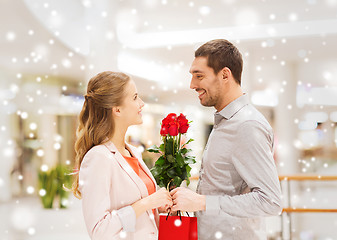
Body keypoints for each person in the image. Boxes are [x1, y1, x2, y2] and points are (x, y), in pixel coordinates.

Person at [170, 39, 282, 239]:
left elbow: (270, 201)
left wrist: (202, 202)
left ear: (224, 75)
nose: (192, 85)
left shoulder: (247, 126)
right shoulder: (226, 121)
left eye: (199, 76)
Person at [72, 71, 172, 240]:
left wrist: (157, 207)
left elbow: (135, 216)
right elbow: (99, 231)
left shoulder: (133, 152)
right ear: (117, 109)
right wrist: (146, 203)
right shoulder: (98, 158)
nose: (141, 103)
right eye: (134, 97)